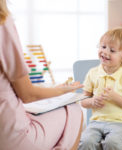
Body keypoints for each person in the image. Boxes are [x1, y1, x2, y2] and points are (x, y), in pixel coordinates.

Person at [0, 1, 84, 150]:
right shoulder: (3, 23)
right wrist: (63, 91)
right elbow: (28, 95)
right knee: (74, 111)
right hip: (10, 135)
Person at [78, 27, 122, 150]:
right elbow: (83, 100)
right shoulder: (93, 73)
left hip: (121, 123)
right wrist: (92, 101)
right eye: (103, 47)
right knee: (85, 141)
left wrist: (115, 97)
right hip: (96, 122)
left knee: (113, 143)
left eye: (112, 50)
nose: (105, 52)